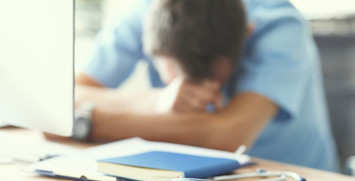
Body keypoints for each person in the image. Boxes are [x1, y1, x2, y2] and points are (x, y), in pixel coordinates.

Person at [72, 0, 339, 172]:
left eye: (212, 80)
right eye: (185, 81)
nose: (206, 98)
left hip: (295, 180)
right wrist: (155, 102)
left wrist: (89, 123)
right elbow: (68, 94)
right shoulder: (144, 13)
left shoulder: (279, 24)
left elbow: (228, 137)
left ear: (247, 34)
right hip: (188, 178)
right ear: (150, 47)